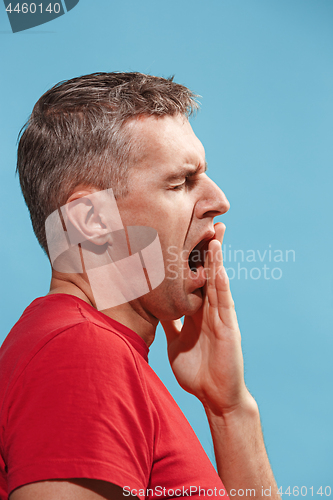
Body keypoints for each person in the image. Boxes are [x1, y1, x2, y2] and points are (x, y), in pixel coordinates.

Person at [0, 73, 280, 500]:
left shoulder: (92, 349)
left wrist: (229, 409)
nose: (219, 200)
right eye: (181, 182)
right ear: (92, 221)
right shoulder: (81, 353)